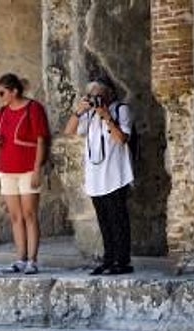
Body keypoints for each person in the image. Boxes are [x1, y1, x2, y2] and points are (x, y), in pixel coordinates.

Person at [63, 77, 134, 275]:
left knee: (118, 220)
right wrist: (80, 111)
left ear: (109, 94)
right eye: (91, 96)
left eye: (98, 96)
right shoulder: (89, 115)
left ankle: (123, 261)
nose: (95, 100)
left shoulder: (121, 110)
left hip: (116, 175)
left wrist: (106, 115)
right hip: (96, 178)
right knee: (104, 221)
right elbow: (68, 132)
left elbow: (121, 139)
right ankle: (109, 259)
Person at [0, 73, 51, 275]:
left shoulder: (33, 109)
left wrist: (37, 169)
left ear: (14, 91)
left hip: (27, 168)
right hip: (7, 169)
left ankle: (32, 261)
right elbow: (4, 137)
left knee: (30, 214)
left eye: (1, 92)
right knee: (15, 216)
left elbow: (41, 140)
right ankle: (20, 258)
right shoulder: (3, 112)